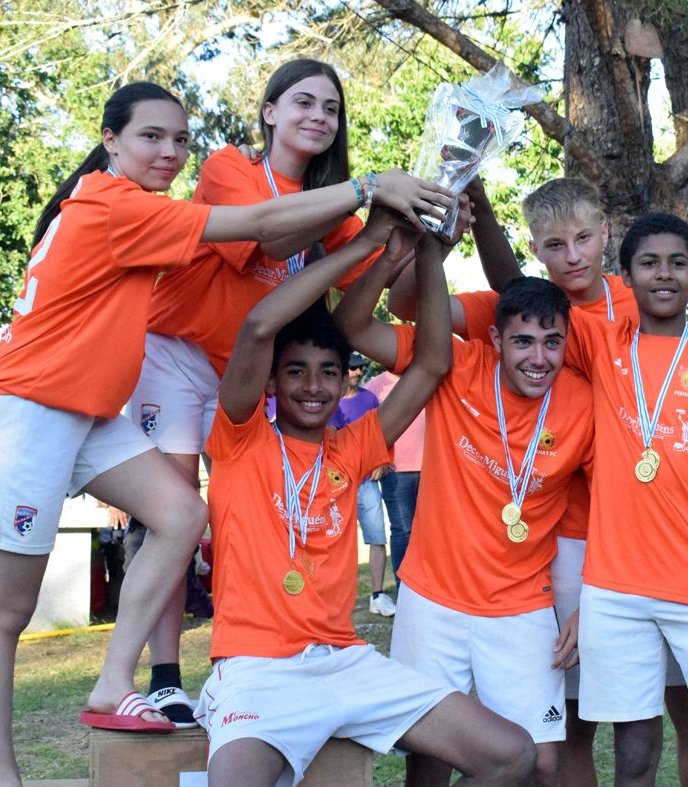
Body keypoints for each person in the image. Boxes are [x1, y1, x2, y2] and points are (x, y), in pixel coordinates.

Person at [0, 82, 450, 787]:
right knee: (4, 610)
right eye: (151, 136)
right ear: (111, 141)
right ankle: (1, 775)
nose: (169, 151)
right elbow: (258, 221)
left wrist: (394, 237)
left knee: (182, 513)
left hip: (90, 411)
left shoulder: (128, 205)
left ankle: (112, 681)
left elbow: (285, 242)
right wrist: (368, 185)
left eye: (179, 139)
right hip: (27, 410)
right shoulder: (113, 203)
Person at [126, 58, 449, 722]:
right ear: (268, 112)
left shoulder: (335, 203)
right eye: (302, 102)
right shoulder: (227, 167)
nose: (318, 117)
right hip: (178, 352)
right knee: (175, 511)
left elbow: (388, 282)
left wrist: (422, 229)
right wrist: (366, 197)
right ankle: (162, 673)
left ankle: (266, 644)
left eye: (330, 109)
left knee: (252, 512)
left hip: (246, 369)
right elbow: (265, 233)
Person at [389, 178, 688, 787]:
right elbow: (415, 306)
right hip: (556, 539)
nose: (571, 256)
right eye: (553, 245)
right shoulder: (521, 308)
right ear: (535, 250)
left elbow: (687, 393)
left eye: (582, 240)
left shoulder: (636, 301)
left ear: (605, 233)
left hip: (643, 532)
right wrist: (466, 209)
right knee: (569, 726)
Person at [197, 196, 535, 787]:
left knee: (511, 755)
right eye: (296, 371)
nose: (314, 387)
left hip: (347, 663)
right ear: (273, 380)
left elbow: (431, 364)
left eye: (330, 372)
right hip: (256, 670)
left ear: (348, 379)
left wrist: (429, 250)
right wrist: (368, 249)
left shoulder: (352, 447)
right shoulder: (241, 437)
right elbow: (258, 325)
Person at [341, 267, 594, 787]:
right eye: (523, 341)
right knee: (429, 762)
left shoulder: (584, 401)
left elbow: (616, 507)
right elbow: (357, 328)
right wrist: (418, 247)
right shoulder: (454, 364)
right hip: (433, 599)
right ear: (496, 338)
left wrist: (588, 603)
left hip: (523, 604)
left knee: (542, 765)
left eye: (552, 342)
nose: (538, 358)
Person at [556, 213, 688, 787]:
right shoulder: (600, 345)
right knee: (633, 757)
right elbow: (517, 287)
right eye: (649, 262)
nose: (664, 274)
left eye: (678, 263)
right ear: (624, 276)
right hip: (615, 591)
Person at [331, 352, 395, 616]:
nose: (358, 373)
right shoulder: (330, 401)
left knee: (377, 537)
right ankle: (334, 599)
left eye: (361, 369)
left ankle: (378, 595)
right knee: (334, 542)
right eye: (353, 369)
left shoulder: (369, 399)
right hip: (338, 483)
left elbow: (381, 434)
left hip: (367, 481)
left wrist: (381, 461)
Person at [362, 369, 424, 579]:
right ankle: (404, 586)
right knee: (403, 531)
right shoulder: (374, 386)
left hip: (431, 469)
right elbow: (366, 428)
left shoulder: (425, 378)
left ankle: (431, 586)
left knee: (432, 530)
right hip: (395, 471)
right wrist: (377, 459)